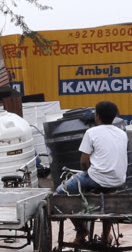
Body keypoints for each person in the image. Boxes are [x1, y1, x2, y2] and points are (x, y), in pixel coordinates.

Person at [55, 101, 128, 244]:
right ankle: (106, 236)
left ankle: (82, 230)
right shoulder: (122, 133)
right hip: (118, 179)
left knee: (60, 193)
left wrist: (88, 174)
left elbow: (83, 162)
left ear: (97, 116)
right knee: (108, 199)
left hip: (95, 178)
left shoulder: (91, 132)